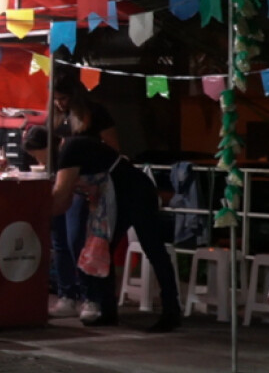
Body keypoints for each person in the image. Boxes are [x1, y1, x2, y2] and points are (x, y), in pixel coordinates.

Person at [23, 127, 182, 333]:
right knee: (100, 248)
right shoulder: (66, 150)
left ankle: (171, 309)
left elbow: (61, 198)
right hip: (113, 198)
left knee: (153, 248)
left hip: (135, 192)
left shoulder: (69, 150)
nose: (39, 162)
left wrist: (35, 214)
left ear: (45, 146)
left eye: (36, 156)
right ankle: (107, 309)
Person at [48, 73, 119, 322]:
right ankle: (66, 293)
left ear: (75, 95)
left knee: (77, 239)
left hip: (88, 185)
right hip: (62, 181)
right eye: (56, 99)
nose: (59, 104)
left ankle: (90, 296)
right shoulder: (57, 117)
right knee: (59, 241)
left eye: (64, 99)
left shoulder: (95, 113)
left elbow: (114, 148)